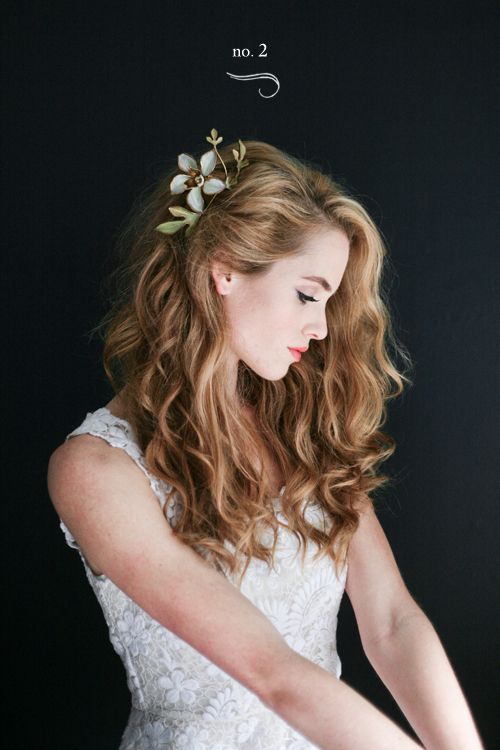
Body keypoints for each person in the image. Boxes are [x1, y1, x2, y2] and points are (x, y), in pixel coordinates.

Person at [47, 129, 484, 750]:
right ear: (223, 268)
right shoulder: (95, 469)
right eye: (308, 294)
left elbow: (392, 623)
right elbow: (271, 672)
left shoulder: (301, 434)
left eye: (330, 302)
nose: (322, 327)